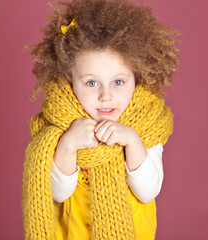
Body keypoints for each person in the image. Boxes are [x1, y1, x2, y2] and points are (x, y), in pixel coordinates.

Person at [22, 0, 180, 239]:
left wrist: (132, 141)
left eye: (118, 82)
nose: (106, 96)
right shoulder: (58, 127)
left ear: (136, 79)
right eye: (92, 83)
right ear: (70, 79)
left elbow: (148, 192)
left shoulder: (146, 125)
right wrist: (67, 144)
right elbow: (57, 193)